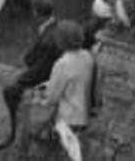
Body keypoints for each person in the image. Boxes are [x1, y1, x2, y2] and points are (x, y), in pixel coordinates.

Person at [0, 0, 59, 149]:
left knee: (9, 91)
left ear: (36, 13)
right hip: (44, 70)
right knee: (14, 84)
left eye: (33, 10)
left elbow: (40, 71)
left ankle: (14, 133)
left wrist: (20, 79)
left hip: (45, 78)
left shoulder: (47, 38)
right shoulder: (53, 26)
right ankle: (16, 130)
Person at [35, 20, 94, 161]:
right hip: (85, 113)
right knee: (75, 154)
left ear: (61, 41)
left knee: (65, 155)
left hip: (68, 117)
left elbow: (52, 97)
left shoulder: (62, 64)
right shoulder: (87, 56)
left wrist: (40, 97)